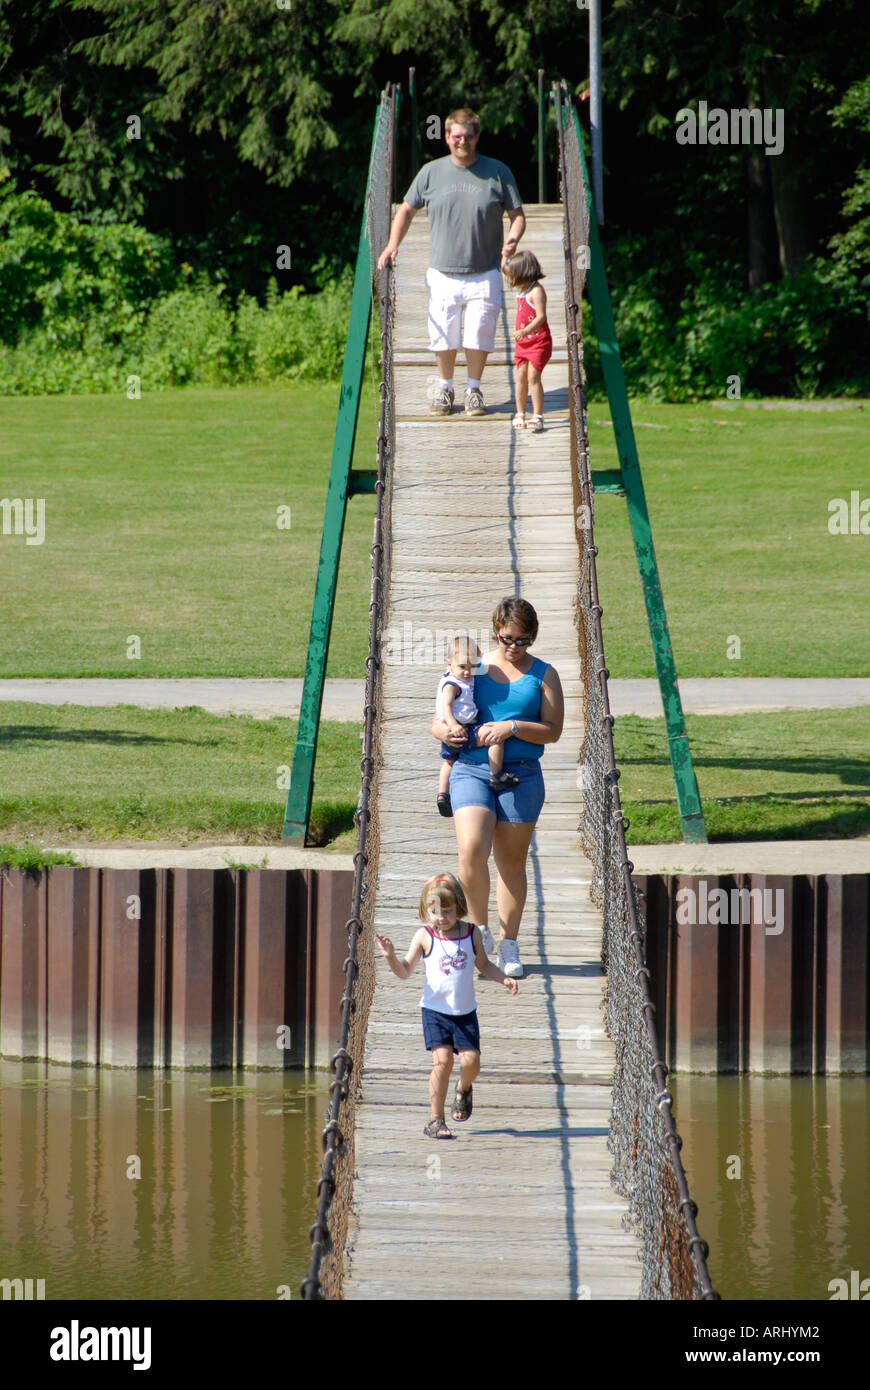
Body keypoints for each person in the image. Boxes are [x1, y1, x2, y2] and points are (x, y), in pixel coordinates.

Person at [431, 597, 564, 979]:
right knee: (472, 847)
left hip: (521, 773)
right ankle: (480, 929)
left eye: (522, 640)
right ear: (496, 632)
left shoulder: (544, 674)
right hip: (471, 767)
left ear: (532, 637)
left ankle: (509, 943)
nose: (514, 647)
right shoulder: (476, 665)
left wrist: (513, 727)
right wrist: (445, 730)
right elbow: (439, 717)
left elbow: (553, 731)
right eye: (507, 638)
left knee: (510, 862)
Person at [376, 108, 526, 418]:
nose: (463, 142)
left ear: (477, 137)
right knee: (443, 334)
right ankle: (445, 387)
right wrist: (392, 245)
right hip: (443, 273)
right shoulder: (431, 173)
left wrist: (512, 239)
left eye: (468, 136)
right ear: (446, 137)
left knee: (479, 333)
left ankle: (474, 389)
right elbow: (405, 210)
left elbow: (518, 215)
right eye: (457, 137)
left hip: (485, 271)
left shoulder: (498, 172)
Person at [375, 872, 517, 1139]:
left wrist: (504, 979)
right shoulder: (424, 936)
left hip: (464, 1012)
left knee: (471, 1062)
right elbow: (405, 971)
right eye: (435, 911)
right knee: (442, 1063)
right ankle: (435, 1119)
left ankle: (463, 1088)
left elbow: (484, 965)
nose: (442, 917)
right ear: (426, 910)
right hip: (434, 1011)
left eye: (448, 911)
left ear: (459, 909)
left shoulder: (471, 934)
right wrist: (391, 956)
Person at [436, 634, 519, 818]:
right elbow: (446, 706)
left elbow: (477, 660)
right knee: (495, 737)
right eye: (462, 667)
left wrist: (478, 654)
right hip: (462, 728)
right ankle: (496, 775)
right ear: (448, 664)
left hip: (457, 729)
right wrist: (452, 724)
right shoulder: (452, 685)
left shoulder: (460, 677)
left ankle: (443, 794)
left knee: (449, 761)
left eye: (472, 666)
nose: (467, 672)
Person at [502, 249, 553, 432]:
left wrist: (525, 331)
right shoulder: (522, 290)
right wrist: (506, 253)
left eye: (511, 277)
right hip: (523, 343)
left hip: (538, 341)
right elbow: (504, 267)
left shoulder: (536, 291)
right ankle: (520, 412)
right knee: (521, 376)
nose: (508, 280)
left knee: (533, 376)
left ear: (522, 274)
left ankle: (537, 415)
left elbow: (541, 317)